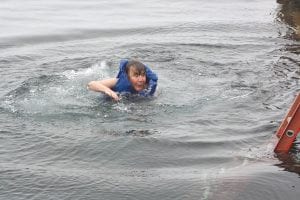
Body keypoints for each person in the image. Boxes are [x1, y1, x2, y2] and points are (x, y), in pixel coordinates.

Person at [87, 59, 158, 101]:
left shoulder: (147, 85)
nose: (140, 79)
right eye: (136, 75)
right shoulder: (117, 81)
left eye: (143, 75)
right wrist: (108, 91)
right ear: (128, 77)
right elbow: (91, 84)